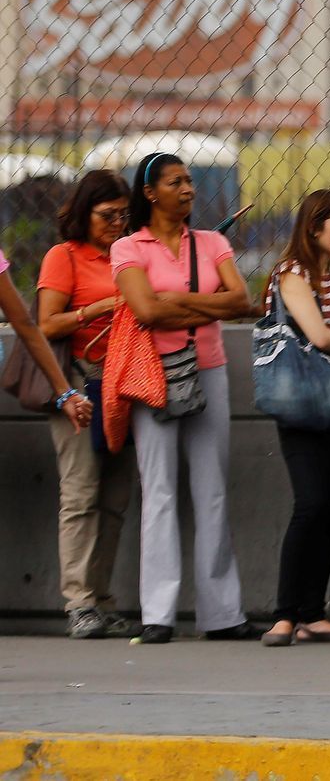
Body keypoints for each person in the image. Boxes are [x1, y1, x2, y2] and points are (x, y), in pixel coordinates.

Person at [111, 151, 257, 644]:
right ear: (151, 193)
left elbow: (243, 302)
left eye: (191, 181)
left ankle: (222, 613)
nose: (189, 189)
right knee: (160, 492)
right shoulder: (129, 247)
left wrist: (175, 301)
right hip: (153, 375)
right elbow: (146, 313)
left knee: (212, 489)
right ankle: (158, 612)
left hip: (208, 370)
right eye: (177, 182)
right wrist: (200, 307)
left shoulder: (213, 242)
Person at [261, 190, 330, 648]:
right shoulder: (292, 272)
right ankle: (285, 614)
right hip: (302, 399)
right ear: (314, 228)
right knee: (309, 505)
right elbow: (322, 338)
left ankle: (314, 613)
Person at [33, 170, 131, 639]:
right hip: (76, 382)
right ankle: (78, 602)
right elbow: (45, 325)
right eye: (106, 215)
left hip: (122, 382)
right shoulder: (64, 256)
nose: (116, 223)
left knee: (115, 498)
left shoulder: (128, 255)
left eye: (123, 215)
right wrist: (98, 308)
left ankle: (102, 598)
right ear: (84, 213)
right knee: (81, 494)